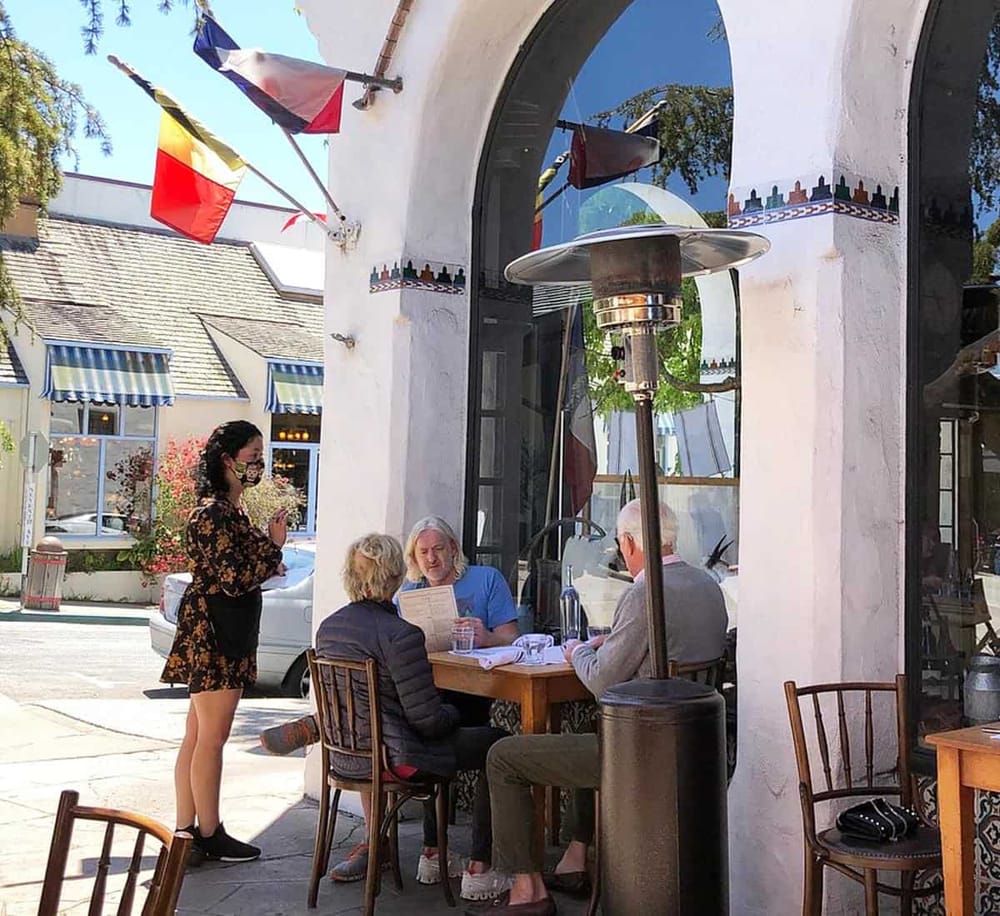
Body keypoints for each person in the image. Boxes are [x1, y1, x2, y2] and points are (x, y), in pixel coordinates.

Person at [475, 498, 728, 916]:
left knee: (503, 756)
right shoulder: (707, 586)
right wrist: (607, 645)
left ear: (629, 542)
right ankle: (576, 857)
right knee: (585, 733)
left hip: (642, 755)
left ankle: (527, 890)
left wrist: (577, 651)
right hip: (694, 750)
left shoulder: (646, 593)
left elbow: (602, 682)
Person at [260, 515, 520, 889]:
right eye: (422, 552)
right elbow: (428, 722)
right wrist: (450, 714)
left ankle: (320, 726)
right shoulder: (402, 634)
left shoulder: (328, 627)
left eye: (437, 550)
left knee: (377, 704)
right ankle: (480, 869)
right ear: (399, 575)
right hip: (397, 755)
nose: (430, 558)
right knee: (496, 744)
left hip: (347, 752)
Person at [161, 420, 287, 863]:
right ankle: (208, 833)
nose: (259, 465)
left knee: (197, 735)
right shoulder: (212, 513)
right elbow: (235, 578)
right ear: (227, 461)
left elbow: (249, 564)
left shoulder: (231, 512)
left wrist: (268, 552)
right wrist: (273, 550)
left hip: (223, 629)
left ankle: (186, 832)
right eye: (253, 456)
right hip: (216, 633)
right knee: (210, 737)